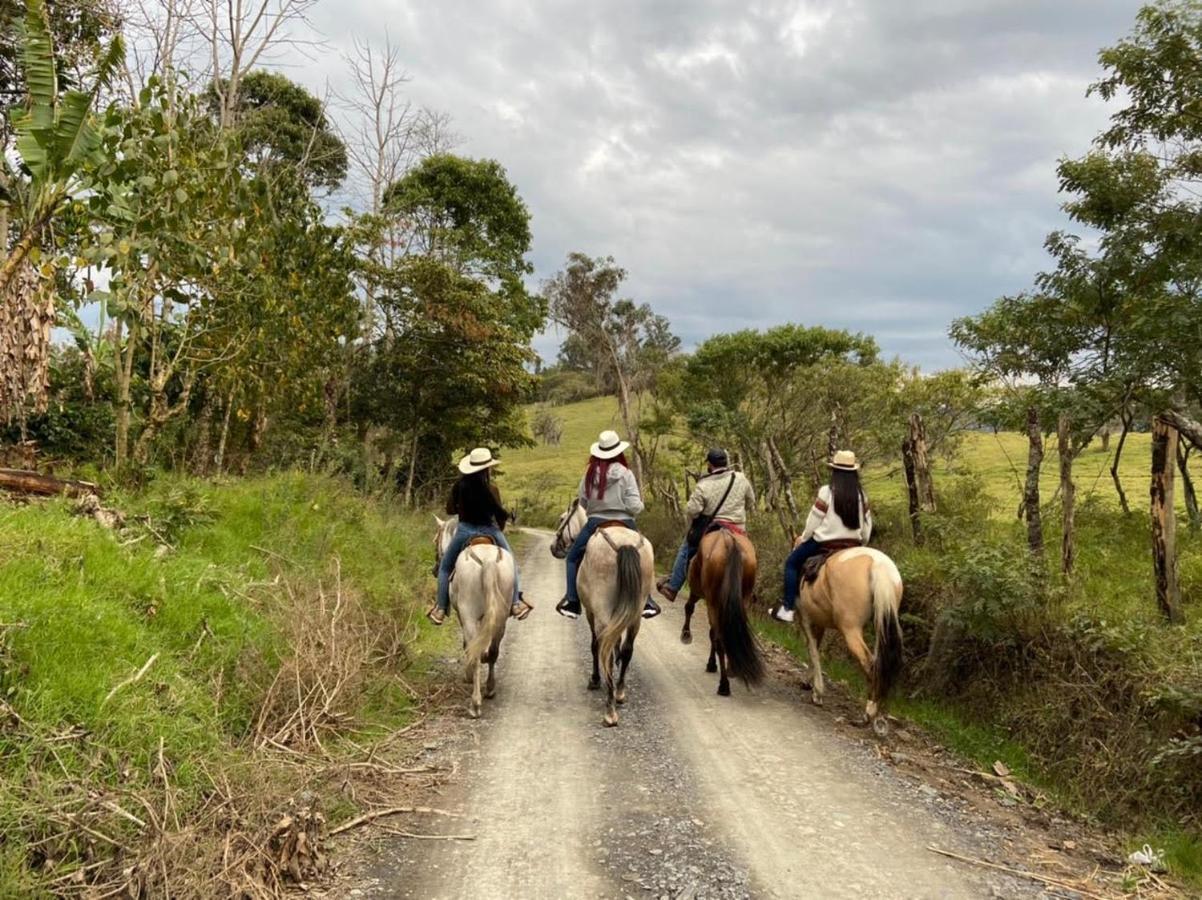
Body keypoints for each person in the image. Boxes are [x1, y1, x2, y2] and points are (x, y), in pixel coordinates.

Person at [556, 430, 661, 620]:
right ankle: (647, 601)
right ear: (618, 452)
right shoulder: (626, 474)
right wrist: (637, 505)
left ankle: (572, 601)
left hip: (595, 522)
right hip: (625, 522)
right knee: (646, 552)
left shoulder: (589, 473)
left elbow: (584, 502)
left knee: (572, 558)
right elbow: (634, 506)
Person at [428, 447, 532, 626]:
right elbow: (499, 514)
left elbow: (449, 510)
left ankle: (440, 608)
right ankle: (515, 603)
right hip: (490, 531)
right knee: (513, 565)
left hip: (465, 530)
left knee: (445, 567)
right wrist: (499, 526)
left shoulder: (459, 486)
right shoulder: (492, 489)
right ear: (487, 468)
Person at [771, 449, 872, 623]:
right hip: (853, 544)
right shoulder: (861, 495)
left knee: (791, 563)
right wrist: (862, 543)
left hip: (824, 543)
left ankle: (787, 609)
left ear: (835, 471)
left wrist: (803, 538)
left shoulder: (827, 492)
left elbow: (813, 521)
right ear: (854, 472)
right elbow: (867, 527)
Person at [656, 447, 755, 603]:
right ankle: (750, 589)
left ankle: (672, 587)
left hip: (712, 527)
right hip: (738, 528)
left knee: (686, 548)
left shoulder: (704, 485)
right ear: (726, 462)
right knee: (750, 552)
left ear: (710, 464)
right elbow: (751, 502)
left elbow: (692, 511)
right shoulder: (741, 478)